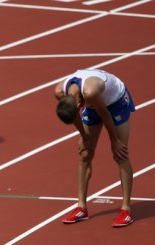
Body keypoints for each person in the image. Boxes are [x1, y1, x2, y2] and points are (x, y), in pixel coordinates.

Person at [54, 69, 135, 227]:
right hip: (93, 105)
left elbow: (105, 115)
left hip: (115, 102)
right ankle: (81, 207)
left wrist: (114, 141)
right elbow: (74, 116)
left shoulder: (89, 92)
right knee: (85, 153)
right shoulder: (59, 92)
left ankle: (126, 210)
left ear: (79, 104)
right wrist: (85, 138)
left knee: (120, 154)